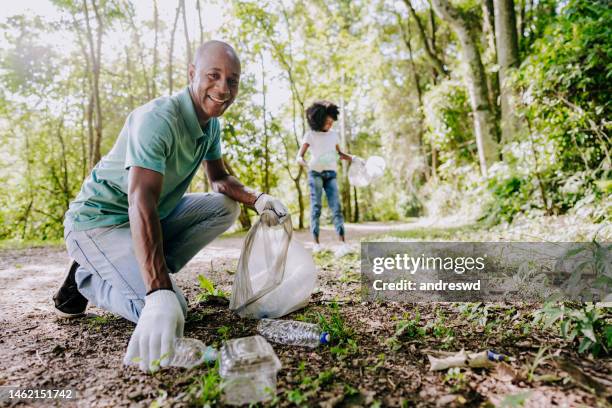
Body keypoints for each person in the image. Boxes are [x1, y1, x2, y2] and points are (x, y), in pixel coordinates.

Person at [53, 40, 288, 372]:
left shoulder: (211, 125)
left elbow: (219, 179)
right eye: (214, 75)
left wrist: (259, 199)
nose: (223, 88)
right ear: (192, 73)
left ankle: (131, 267)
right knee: (172, 309)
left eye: (232, 80)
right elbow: (141, 199)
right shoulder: (158, 119)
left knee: (225, 207)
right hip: (97, 221)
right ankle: (87, 279)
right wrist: (158, 289)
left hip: (146, 218)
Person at [296, 101, 362, 257]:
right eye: (327, 122)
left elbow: (340, 154)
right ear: (318, 120)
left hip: (331, 174)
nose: (330, 124)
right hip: (315, 173)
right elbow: (299, 156)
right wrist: (305, 165)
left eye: (332, 122)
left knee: (336, 208)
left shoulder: (334, 135)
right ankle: (316, 244)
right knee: (316, 207)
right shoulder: (310, 135)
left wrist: (354, 158)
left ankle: (343, 243)